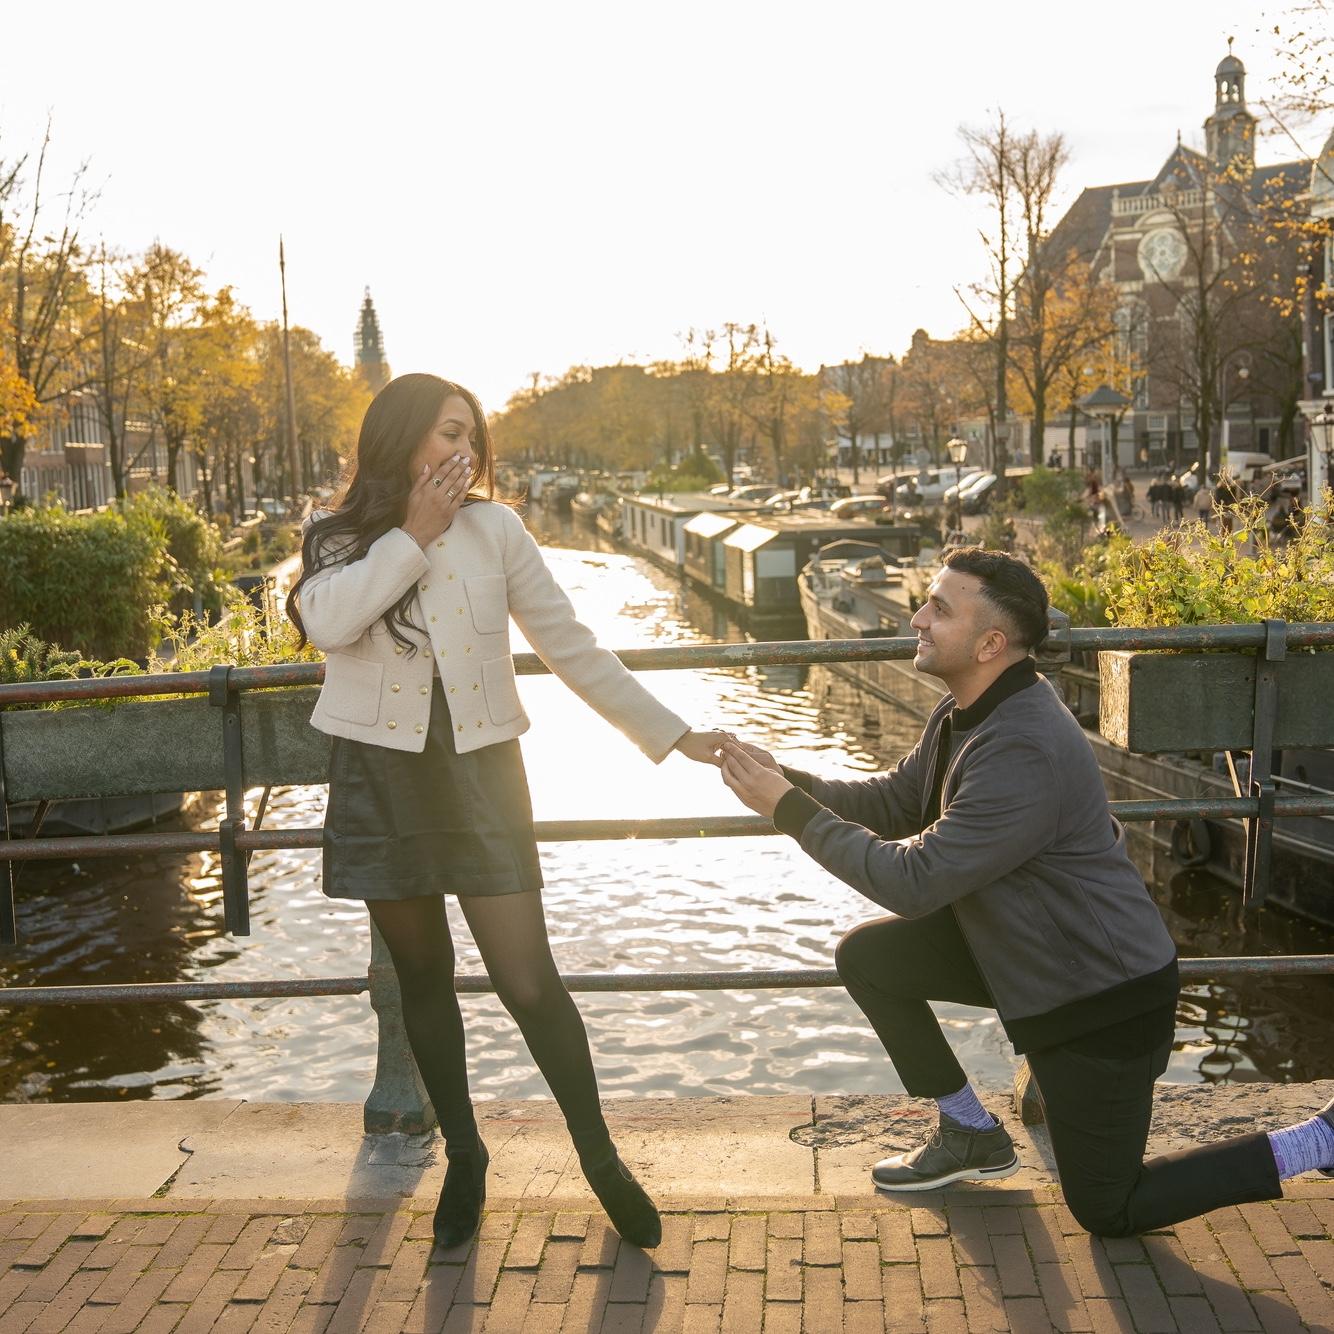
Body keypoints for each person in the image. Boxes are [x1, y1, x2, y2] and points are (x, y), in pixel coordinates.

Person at [716, 547, 1334, 1237]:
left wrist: (786, 809)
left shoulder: (1022, 747)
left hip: (1101, 999)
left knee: (1110, 1209)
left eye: (938, 609)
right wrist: (781, 778)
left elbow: (912, 882)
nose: (916, 618)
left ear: (990, 644)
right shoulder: (967, 710)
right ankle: (969, 1131)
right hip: (1031, 957)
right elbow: (897, 802)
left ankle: (1320, 1140)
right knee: (871, 958)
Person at [286, 373, 728, 1252]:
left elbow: (570, 644)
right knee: (422, 977)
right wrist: (412, 533)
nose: (466, 451)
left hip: (482, 770)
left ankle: (600, 1159)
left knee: (529, 980)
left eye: (472, 437)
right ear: (403, 438)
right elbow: (327, 625)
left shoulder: (498, 529)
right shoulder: (336, 536)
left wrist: (672, 733)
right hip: (379, 773)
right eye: (449, 433)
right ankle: (467, 1158)